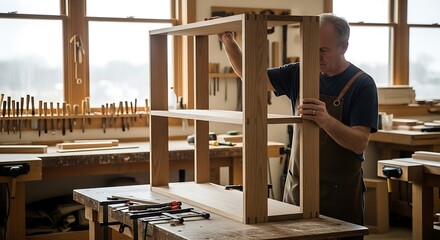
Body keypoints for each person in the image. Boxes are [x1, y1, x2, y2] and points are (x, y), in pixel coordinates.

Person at [218, 13, 378, 239]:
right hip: (297, 189)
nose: (315, 55)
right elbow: (252, 76)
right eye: (311, 47)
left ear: (344, 47)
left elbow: (359, 142)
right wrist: (228, 40)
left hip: (339, 195)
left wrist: (326, 120)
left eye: (323, 50)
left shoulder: (362, 84)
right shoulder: (299, 72)